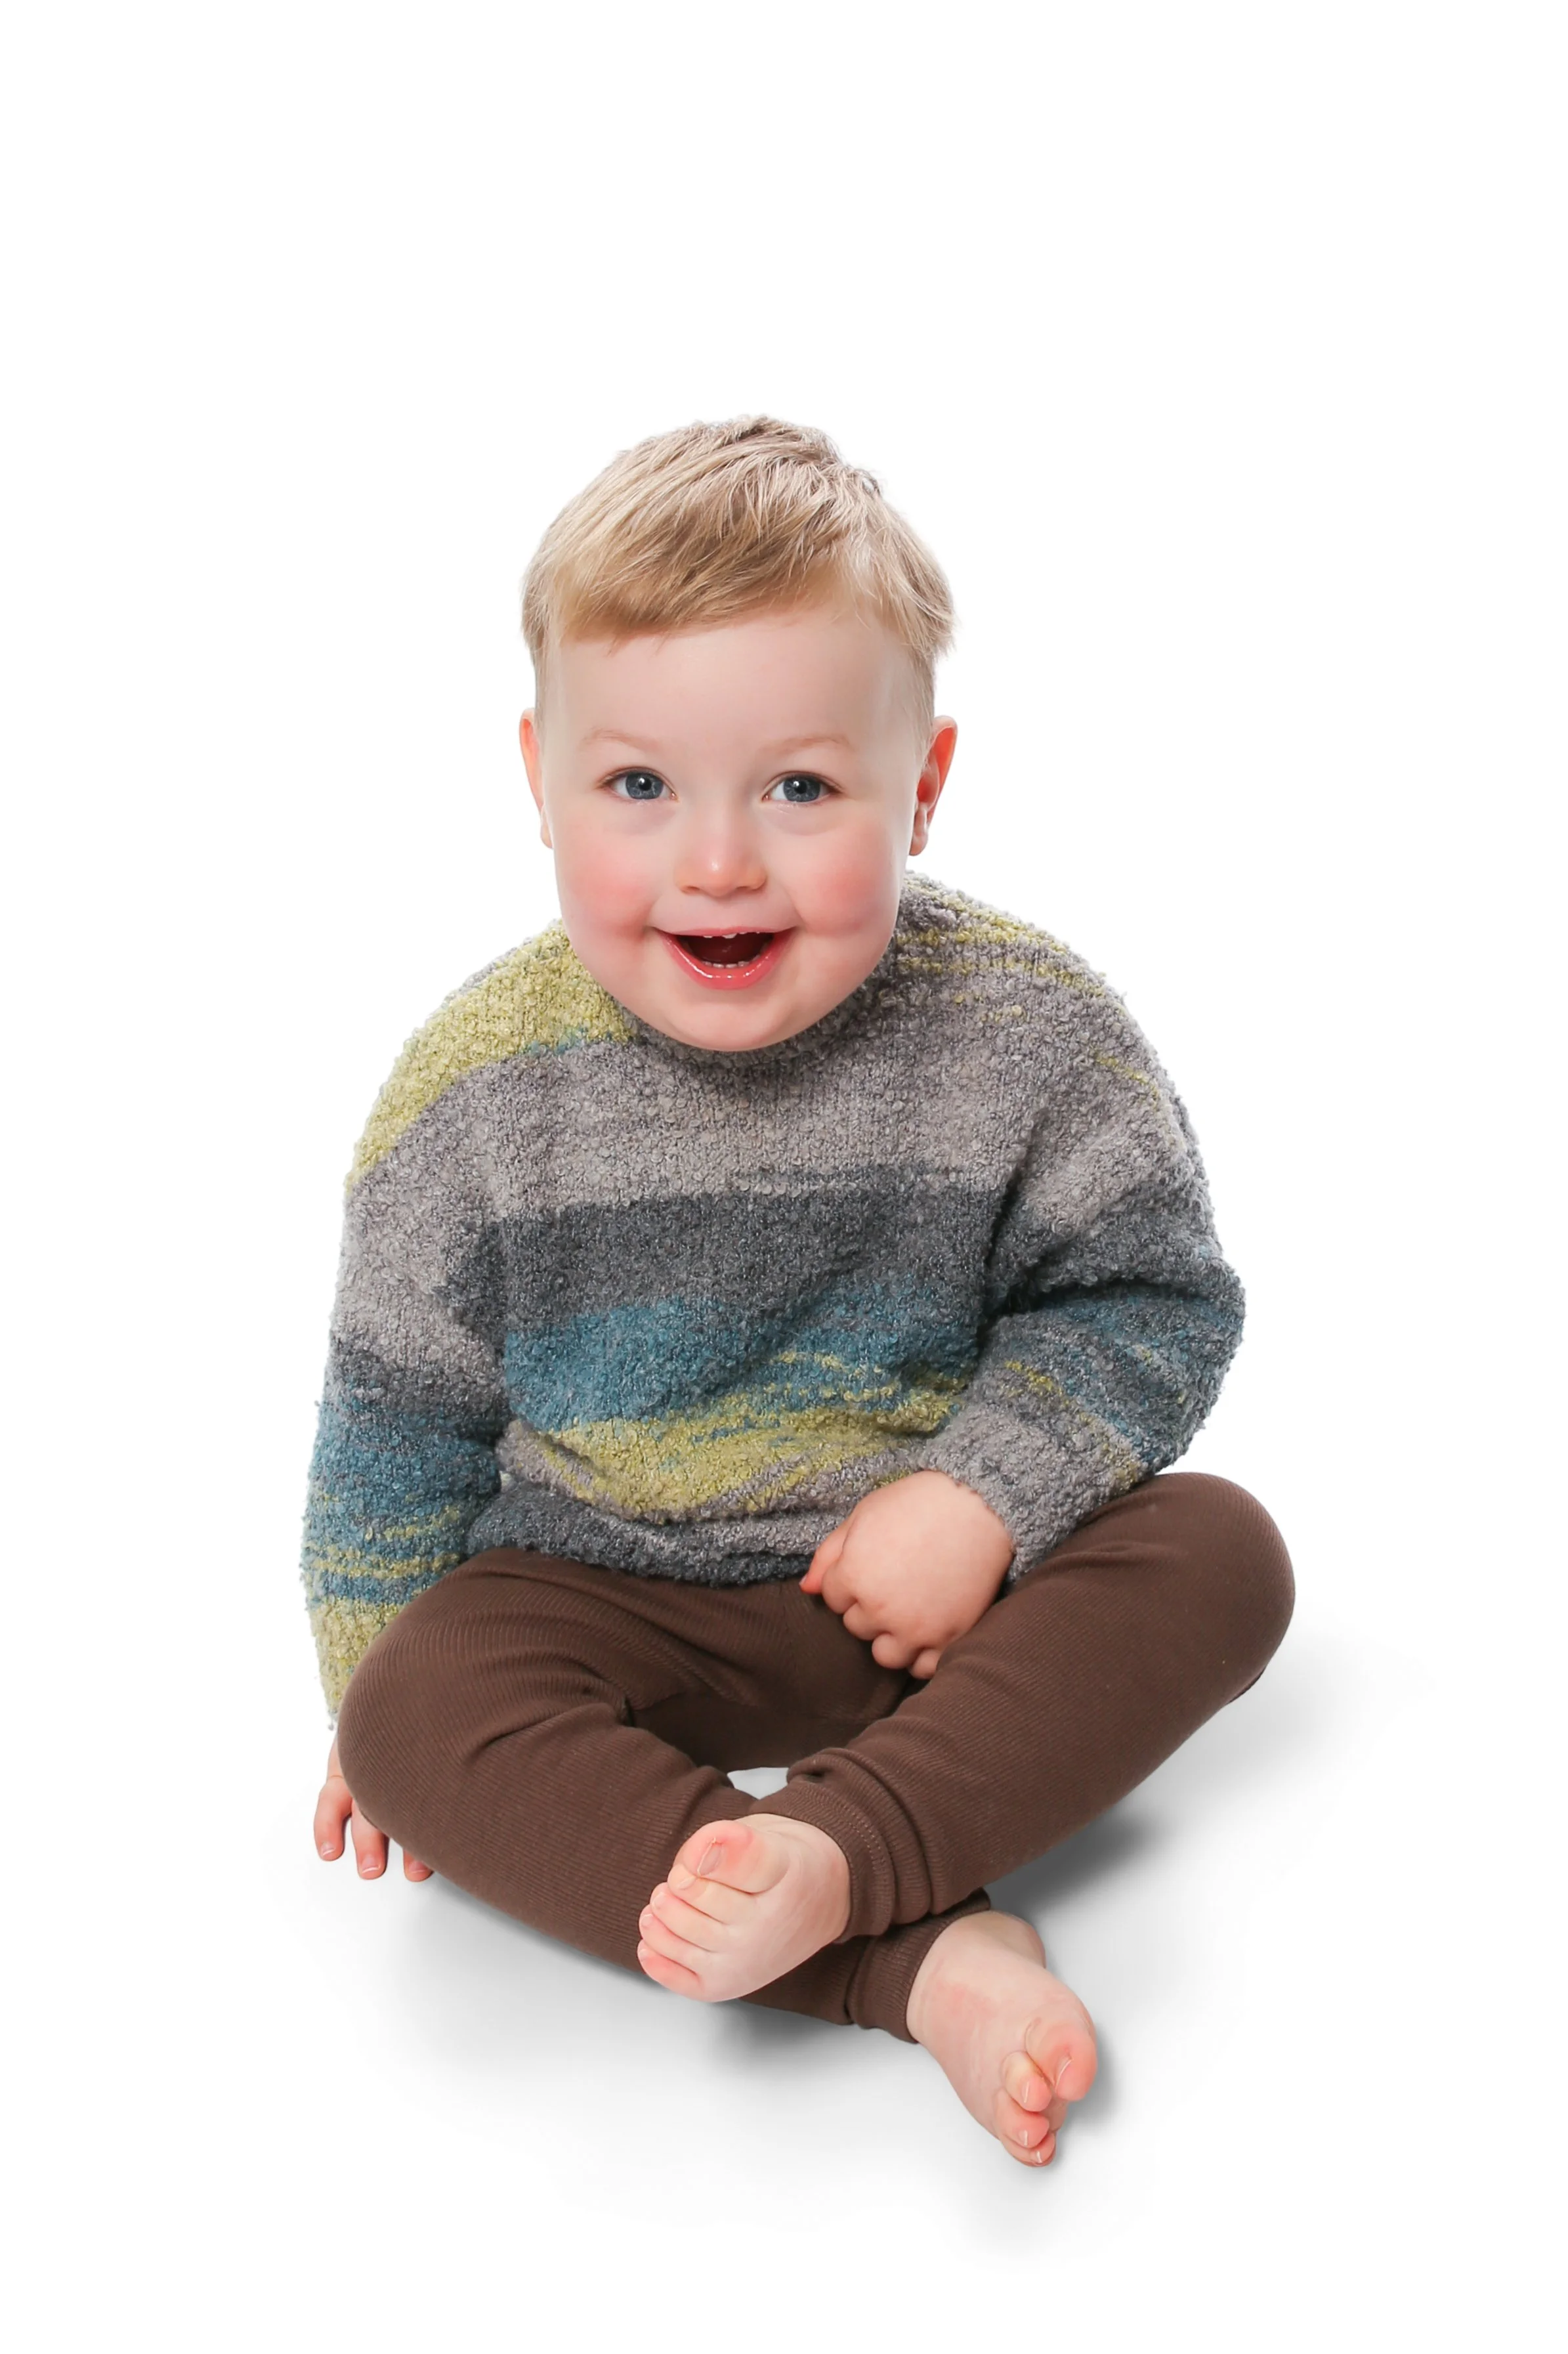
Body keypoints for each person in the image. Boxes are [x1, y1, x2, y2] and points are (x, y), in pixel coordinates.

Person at [303, 416, 1294, 2169]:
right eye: (638, 788)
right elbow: (397, 1428)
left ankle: (850, 1838)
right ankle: (917, 1954)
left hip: (936, 1616)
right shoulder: (474, 1095)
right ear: (538, 776)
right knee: (417, 1701)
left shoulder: (1030, 1036)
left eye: (799, 789)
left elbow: (1149, 1301)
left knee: (1221, 1550)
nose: (717, 863)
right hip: (614, 1606)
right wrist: (376, 1714)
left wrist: (980, 1497)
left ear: (922, 784)